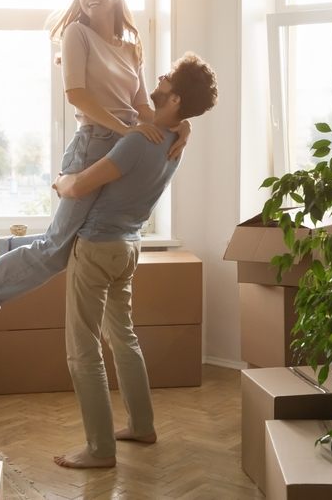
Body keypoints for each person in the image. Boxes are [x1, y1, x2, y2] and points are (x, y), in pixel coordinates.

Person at [0, 0, 190, 321]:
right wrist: (124, 132)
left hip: (124, 145)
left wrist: (183, 126)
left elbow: (142, 108)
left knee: (62, 241)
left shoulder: (130, 49)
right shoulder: (77, 33)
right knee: (56, 250)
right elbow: (76, 94)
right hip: (94, 142)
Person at [50, 53, 218, 468]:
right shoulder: (177, 143)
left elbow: (79, 187)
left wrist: (58, 181)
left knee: (82, 347)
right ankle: (142, 425)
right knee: (123, 337)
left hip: (97, 248)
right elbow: (180, 123)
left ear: (175, 99)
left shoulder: (138, 142)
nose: (158, 79)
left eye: (167, 79)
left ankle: (99, 449)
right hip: (128, 248)